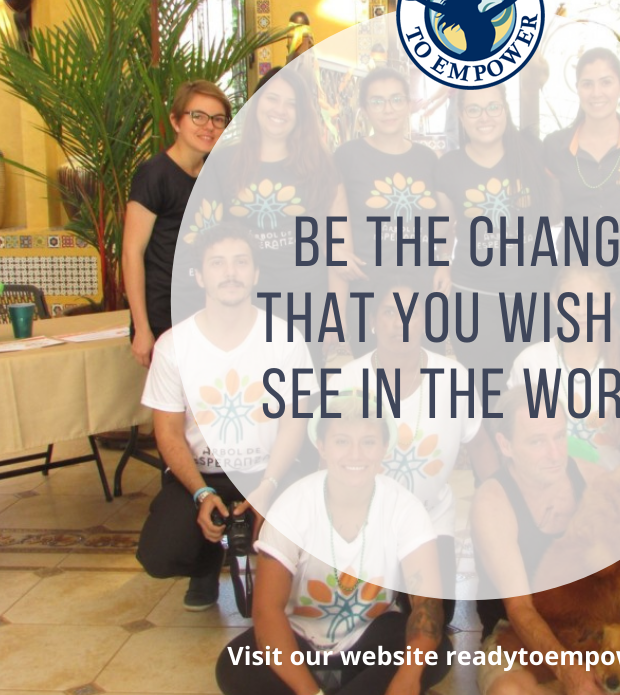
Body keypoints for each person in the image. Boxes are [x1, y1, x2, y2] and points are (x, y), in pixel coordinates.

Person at [472, 388, 620, 695]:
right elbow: (520, 609)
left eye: (559, 437)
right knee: (509, 692)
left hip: (613, 630)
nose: (554, 453)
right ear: (505, 445)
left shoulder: (590, 474)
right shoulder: (493, 502)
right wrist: (567, 669)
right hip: (526, 635)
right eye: (537, 441)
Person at [215, 393, 450, 695]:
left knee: (434, 654)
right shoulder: (291, 508)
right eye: (341, 441)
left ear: (384, 448)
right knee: (236, 667)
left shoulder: (405, 508)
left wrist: (407, 678)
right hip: (299, 639)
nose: (356, 455)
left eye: (368, 442)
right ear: (322, 447)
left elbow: (427, 603)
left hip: (370, 637)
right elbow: (267, 611)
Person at [137, 225, 315, 610]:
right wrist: (201, 492)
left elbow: (293, 423)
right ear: (200, 275)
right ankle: (205, 563)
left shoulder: (285, 340)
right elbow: (167, 432)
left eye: (240, 262)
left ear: (255, 274)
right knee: (160, 553)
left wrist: (268, 486)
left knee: (307, 544)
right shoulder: (173, 345)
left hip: (269, 471)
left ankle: (270, 571)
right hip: (201, 476)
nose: (230, 272)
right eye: (217, 263)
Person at [329, 279, 498, 624]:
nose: (400, 323)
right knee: (358, 622)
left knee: (434, 621)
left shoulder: (454, 377)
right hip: (364, 523)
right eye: (390, 312)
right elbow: (327, 465)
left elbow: (480, 446)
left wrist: (501, 501)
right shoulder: (347, 380)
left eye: (411, 313)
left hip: (430, 522)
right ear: (374, 320)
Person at [194, 66, 357, 364]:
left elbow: (340, 249)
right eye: (272, 98)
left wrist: (336, 316)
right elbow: (209, 244)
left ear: (301, 114)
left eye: (291, 103)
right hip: (245, 305)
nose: (280, 109)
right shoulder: (223, 162)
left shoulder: (321, 165)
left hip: (308, 303)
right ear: (256, 102)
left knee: (303, 399)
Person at [542, 47, 620, 342]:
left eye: (606, 81)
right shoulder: (556, 145)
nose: (597, 92)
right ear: (578, 88)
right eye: (587, 83)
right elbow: (554, 212)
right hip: (575, 273)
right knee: (577, 361)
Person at [434, 84, 552, 383]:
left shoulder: (533, 153)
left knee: (534, 395)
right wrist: (442, 263)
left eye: (493, 107)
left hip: (533, 300)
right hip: (474, 302)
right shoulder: (449, 166)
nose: (484, 117)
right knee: (487, 393)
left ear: (505, 110)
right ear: (460, 116)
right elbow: (444, 227)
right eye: (473, 109)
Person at [332, 67, 441, 354]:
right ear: (365, 109)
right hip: (367, 290)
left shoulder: (427, 158)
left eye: (395, 99)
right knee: (373, 386)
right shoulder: (347, 157)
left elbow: (442, 224)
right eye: (377, 101)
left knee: (426, 377)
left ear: (408, 104)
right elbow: (325, 214)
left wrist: (443, 261)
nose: (387, 109)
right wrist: (333, 249)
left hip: (421, 286)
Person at [124, 80, 231, 367]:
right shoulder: (154, 174)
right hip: (165, 315)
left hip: (209, 313)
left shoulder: (216, 173)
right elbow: (131, 252)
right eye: (198, 116)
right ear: (175, 121)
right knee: (176, 408)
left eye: (218, 119)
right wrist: (142, 327)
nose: (208, 127)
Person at [507, 265, 620, 470]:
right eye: (570, 300)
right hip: (550, 490)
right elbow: (516, 440)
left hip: (612, 492)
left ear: (609, 302)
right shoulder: (530, 363)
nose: (581, 311)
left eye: (592, 301)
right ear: (555, 301)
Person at [403, 0, 532, 61]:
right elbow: (438, 7)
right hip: (472, 58)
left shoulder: (481, 16)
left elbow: (507, 3)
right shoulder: (468, 19)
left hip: (476, 59)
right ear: (468, 2)